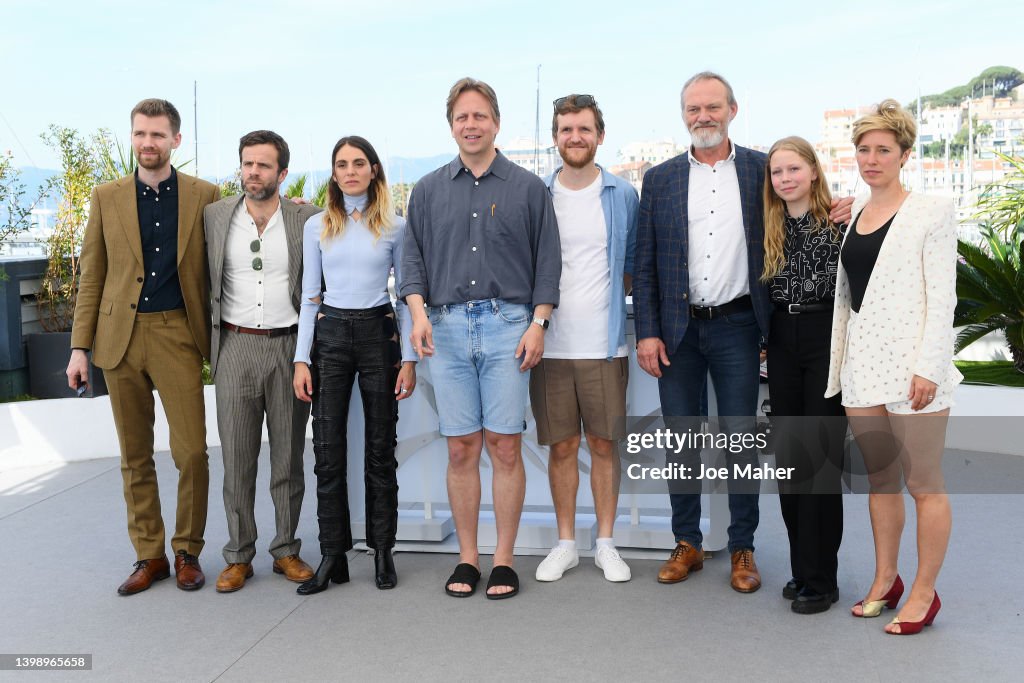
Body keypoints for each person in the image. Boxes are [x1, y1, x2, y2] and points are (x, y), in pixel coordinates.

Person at [634, 72, 852, 593]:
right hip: (678, 332)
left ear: (733, 109)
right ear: (683, 115)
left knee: (740, 441)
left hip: (740, 327)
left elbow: (803, 210)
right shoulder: (659, 179)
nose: (702, 117)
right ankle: (686, 541)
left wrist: (844, 207)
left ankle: (742, 547)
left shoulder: (760, 170)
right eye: (693, 109)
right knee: (681, 438)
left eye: (712, 107)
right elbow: (643, 262)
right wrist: (647, 331)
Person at [401, 77, 561, 599]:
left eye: (479, 116)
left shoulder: (528, 188)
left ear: (496, 122)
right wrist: (418, 315)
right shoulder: (426, 191)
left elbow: (548, 264)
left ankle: (504, 559)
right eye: (461, 117)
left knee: (505, 447)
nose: (471, 125)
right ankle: (467, 559)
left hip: (508, 329)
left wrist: (537, 323)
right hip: (444, 331)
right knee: (461, 449)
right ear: (451, 126)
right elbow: (412, 263)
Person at [66, 99, 220, 594]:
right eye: (139, 134)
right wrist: (78, 348)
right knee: (134, 456)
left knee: (192, 452)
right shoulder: (106, 197)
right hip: (119, 340)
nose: (147, 143)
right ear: (132, 138)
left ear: (176, 140)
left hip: (178, 333)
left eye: (157, 135)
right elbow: (92, 276)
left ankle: (187, 551)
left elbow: (223, 266)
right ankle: (149, 555)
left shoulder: (205, 195)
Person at [825, 99, 961, 635]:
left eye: (883, 149)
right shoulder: (854, 211)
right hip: (863, 368)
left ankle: (925, 593)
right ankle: (887, 579)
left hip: (913, 370)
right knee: (880, 480)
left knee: (922, 483)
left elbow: (942, 297)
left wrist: (929, 366)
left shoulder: (931, 211)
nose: (872, 158)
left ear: (905, 154)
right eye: (864, 149)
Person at [292, 135, 417, 594]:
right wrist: (301, 359)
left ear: (373, 170)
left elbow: (405, 297)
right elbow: (310, 298)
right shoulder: (317, 226)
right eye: (341, 164)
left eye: (358, 163)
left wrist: (408, 359)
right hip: (329, 339)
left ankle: (384, 551)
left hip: (377, 335)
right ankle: (332, 555)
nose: (350, 171)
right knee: (327, 453)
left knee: (381, 451)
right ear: (334, 173)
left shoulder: (395, 227)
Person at [204, 130, 320, 593]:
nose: (253, 172)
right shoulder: (214, 216)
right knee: (237, 458)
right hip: (233, 347)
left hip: (289, 348)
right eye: (247, 164)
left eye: (263, 165)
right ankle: (237, 555)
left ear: (282, 173)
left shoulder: (305, 217)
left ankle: (286, 550)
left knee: (289, 457)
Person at [532, 94, 637, 583]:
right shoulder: (537, 196)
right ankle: (566, 543)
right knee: (560, 446)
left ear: (599, 135)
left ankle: (606, 544)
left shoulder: (622, 194)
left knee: (603, 444)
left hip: (604, 344)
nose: (575, 137)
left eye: (585, 129)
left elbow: (634, 267)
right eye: (566, 129)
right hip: (549, 345)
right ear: (555, 137)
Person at [761, 136, 846, 614]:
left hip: (824, 335)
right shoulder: (770, 225)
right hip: (781, 337)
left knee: (820, 460)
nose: (786, 178)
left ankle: (823, 579)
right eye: (777, 172)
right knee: (792, 461)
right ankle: (802, 568)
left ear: (813, 171)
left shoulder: (839, 221)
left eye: (794, 169)